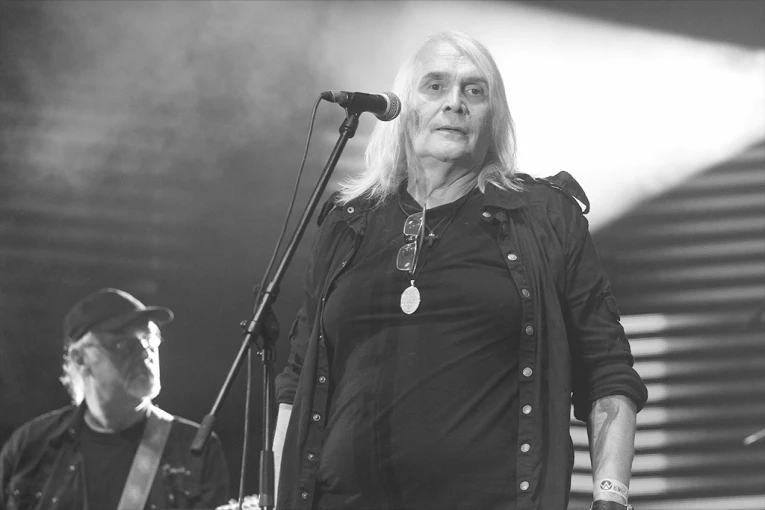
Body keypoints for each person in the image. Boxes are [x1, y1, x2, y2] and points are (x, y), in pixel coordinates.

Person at [273, 30, 648, 510]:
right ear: (400, 108)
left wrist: (610, 499)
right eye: (435, 86)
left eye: (475, 90)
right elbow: (298, 380)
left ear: (495, 118)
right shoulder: (349, 224)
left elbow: (607, 371)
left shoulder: (544, 218)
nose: (455, 102)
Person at [0, 288, 230, 510]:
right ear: (80, 359)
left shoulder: (196, 449)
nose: (145, 352)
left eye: (149, 340)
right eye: (122, 344)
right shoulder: (29, 446)